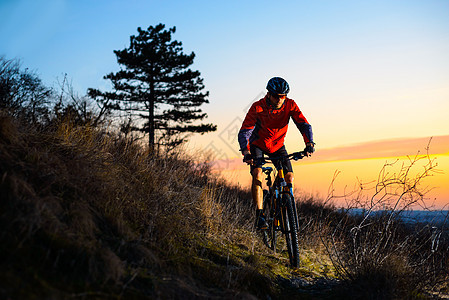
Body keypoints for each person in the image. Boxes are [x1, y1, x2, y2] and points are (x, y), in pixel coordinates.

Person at [237, 77, 315, 229]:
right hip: (258, 145)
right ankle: (259, 215)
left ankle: (281, 206)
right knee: (258, 173)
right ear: (268, 94)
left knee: (289, 177)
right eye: (276, 96)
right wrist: (246, 151)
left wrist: (309, 142)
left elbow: (303, 124)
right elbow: (245, 131)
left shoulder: (290, 105)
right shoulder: (258, 107)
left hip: (278, 146)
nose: (280, 100)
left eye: (283, 96)